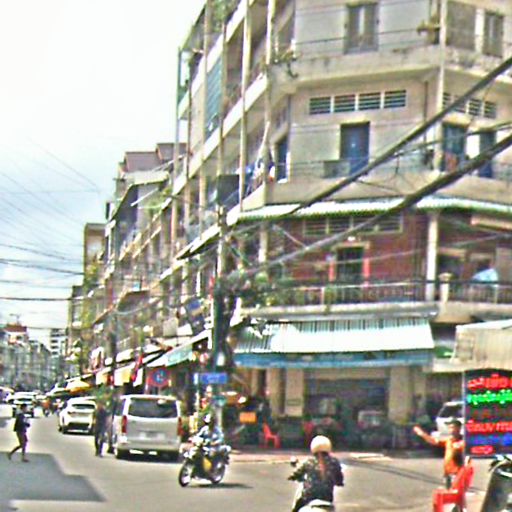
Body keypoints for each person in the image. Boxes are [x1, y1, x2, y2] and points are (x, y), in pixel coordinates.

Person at [288, 435, 344, 512]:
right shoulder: (334, 462)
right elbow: (339, 478)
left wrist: (292, 476)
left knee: (295, 509)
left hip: (308, 497)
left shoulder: (309, 461)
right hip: (327, 498)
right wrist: (340, 482)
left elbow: (297, 472)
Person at [413, 418, 465, 488]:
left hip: (457, 473)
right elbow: (434, 441)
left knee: (455, 491)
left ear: (458, 428)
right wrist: (422, 434)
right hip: (448, 472)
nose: (450, 430)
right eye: (449, 427)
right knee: (448, 490)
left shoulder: (462, 441)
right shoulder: (449, 440)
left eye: (452, 427)